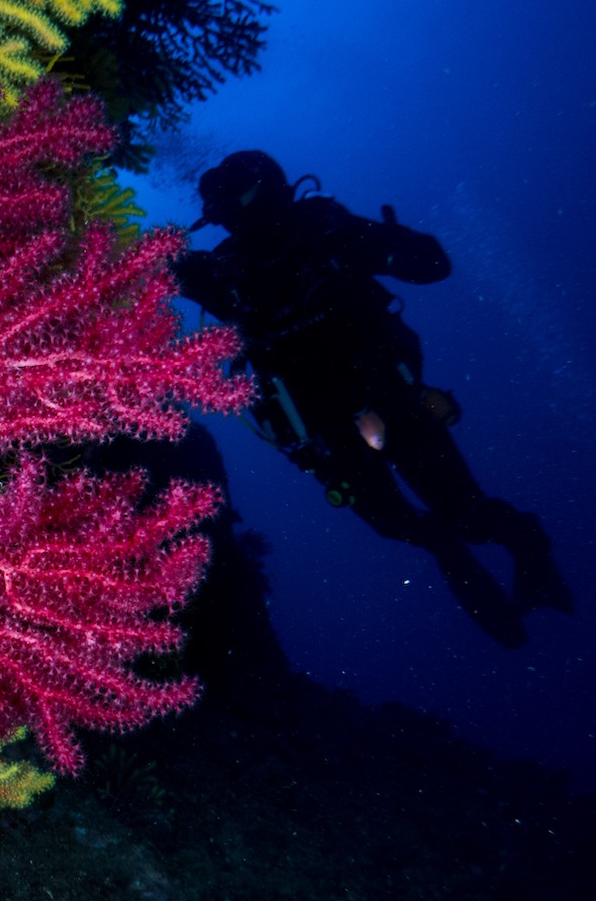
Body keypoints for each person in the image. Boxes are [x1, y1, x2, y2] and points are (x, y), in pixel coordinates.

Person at [176, 150, 572, 648]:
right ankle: (458, 562)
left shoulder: (322, 229)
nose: (219, 204)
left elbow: (433, 262)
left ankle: (526, 542)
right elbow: (146, 266)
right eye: (214, 196)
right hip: (320, 426)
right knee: (394, 522)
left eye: (232, 190)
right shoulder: (226, 272)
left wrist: (379, 246)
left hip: (388, 398)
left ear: (266, 186)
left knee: (466, 514)